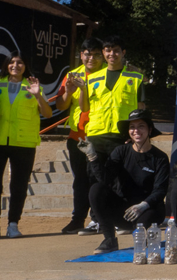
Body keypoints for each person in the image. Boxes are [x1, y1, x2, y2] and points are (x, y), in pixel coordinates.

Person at [0, 53, 52, 239]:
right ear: (6, 65)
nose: (15, 65)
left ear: (25, 66)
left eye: (20, 62)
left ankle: (13, 224)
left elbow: (48, 113)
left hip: (24, 142)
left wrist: (37, 95)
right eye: (12, 62)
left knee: (19, 185)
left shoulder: (34, 86)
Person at [87, 109, 170, 254]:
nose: (136, 131)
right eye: (132, 127)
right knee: (96, 189)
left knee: (144, 229)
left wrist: (143, 205)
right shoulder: (121, 151)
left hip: (148, 209)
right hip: (123, 211)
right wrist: (92, 157)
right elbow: (105, 180)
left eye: (141, 126)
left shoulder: (160, 157)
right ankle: (109, 240)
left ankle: (145, 237)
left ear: (150, 130)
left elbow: (160, 189)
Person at [55, 38, 104, 234]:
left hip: (100, 135)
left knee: (97, 179)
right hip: (77, 136)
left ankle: (98, 219)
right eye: (87, 54)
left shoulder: (108, 74)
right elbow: (61, 105)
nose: (91, 58)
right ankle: (78, 220)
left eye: (96, 54)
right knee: (80, 181)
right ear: (81, 55)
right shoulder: (72, 75)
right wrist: (68, 92)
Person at [83, 36, 145, 184]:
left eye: (116, 51)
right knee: (95, 181)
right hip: (96, 137)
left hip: (122, 137)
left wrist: (137, 134)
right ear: (103, 53)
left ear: (123, 52)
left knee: (121, 182)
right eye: (108, 50)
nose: (112, 54)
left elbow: (141, 109)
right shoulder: (92, 79)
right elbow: (85, 107)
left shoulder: (136, 78)